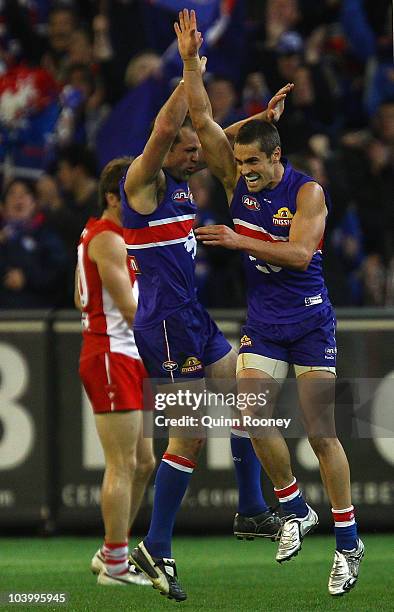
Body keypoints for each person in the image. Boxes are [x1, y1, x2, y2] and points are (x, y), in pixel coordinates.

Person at [176, 8, 364, 598]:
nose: (245, 171)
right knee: (251, 413)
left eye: (255, 162)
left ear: (276, 158)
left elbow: (303, 255)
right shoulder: (237, 178)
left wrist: (238, 237)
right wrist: (189, 65)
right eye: (242, 162)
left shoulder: (307, 191)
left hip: (310, 322)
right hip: (264, 320)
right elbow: (203, 118)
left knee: (323, 433)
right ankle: (292, 507)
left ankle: (348, 542)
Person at [121, 51, 290, 600]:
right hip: (166, 325)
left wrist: (257, 124)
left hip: (192, 315)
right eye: (188, 151)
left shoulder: (176, 184)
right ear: (164, 149)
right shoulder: (142, 184)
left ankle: (250, 508)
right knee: (188, 436)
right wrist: (186, 67)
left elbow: (209, 133)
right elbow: (171, 124)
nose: (198, 157)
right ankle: (158, 545)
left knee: (244, 394)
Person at [75, 157, 155, 586]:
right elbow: (128, 308)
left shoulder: (103, 235)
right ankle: (117, 566)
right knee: (123, 462)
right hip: (113, 354)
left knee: (144, 462)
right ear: (113, 196)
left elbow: (78, 297)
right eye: (133, 190)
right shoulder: (108, 239)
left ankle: (111, 551)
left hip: (124, 354)